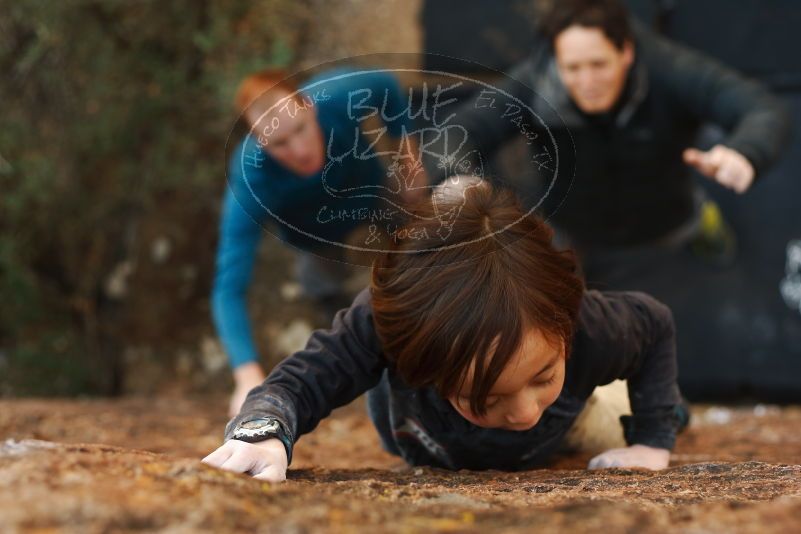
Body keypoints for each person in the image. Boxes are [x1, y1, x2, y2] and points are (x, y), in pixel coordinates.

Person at [202, 179, 689, 482]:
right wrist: (263, 435)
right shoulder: (392, 325)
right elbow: (297, 384)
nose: (522, 413)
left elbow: (654, 323)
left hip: (571, 425)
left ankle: (658, 407)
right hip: (421, 439)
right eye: (485, 396)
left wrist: (652, 439)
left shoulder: (585, 324)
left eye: (541, 376)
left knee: (645, 409)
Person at [450, 0, 791, 285]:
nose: (586, 82)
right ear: (556, 58)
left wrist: (745, 152)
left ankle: (705, 225)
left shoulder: (669, 68)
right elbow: (460, 132)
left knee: (691, 222)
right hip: (571, 217)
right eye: (572, 68)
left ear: (626, 52)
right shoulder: (534, 84)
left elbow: (760, 109)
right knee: (561, 263)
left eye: (599, 65)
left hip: (666, 210)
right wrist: (458, 182)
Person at [213, 67, 428, 416]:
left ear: (309, 106)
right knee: (326, 292)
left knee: (428, 240)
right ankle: (363, 369)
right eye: (279, 144)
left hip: (373, 194)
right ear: (259, 142)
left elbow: (386, 85)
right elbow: (229, 287)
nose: (299, 151)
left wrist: (408, 156)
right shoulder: (251, 177)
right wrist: (246, 374)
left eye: (300, 129)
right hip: (315, 236)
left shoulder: (337, 96)